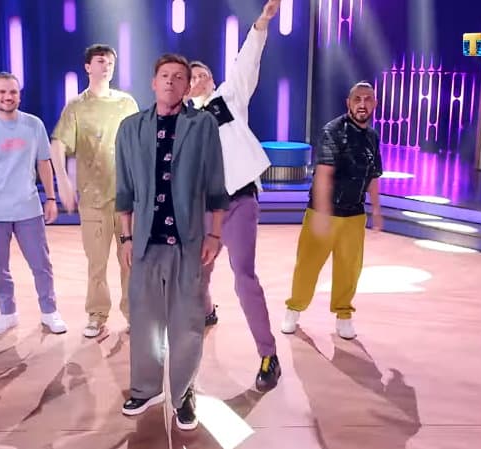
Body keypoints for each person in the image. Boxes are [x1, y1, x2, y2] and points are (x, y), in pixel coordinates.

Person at [115, 54, 229, 431]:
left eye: (179, 77)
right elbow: (124, 189)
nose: (170, 82)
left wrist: (215, 233)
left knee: (187, 322)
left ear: (187, 86)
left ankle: (183, 393)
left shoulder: (203, 125)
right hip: (145, 241)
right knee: (145, 320)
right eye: (164, 75)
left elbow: (216, 183)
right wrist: (126, 237)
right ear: (153, 83)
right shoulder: (131, 128)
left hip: (188, 240)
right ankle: (146, 388)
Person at [185, 0, 282, 392]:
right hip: (203, 209)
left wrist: (262, 22)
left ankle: (268, 355)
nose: (198, 79)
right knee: (197, 275)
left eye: (203, 74)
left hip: (239, 201)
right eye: (191, 76)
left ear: (212, 80)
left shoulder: (229, 97)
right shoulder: (180, 119)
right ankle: (207, 312)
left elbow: (246, 61)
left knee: (244, 278)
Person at [0, 72, 67, 336]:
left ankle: (49, 312)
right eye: (2, 92)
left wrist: (51, 198)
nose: (7, 97)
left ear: (19, 95)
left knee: (41, 265)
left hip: (28, 208)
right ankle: (7, 313)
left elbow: (44, 163)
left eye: (12, 92)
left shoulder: (34, 125)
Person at [281, 81, 384, 340]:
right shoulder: (333, 131)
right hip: (323, 213)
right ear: (348, 103)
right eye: (357, 99)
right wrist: (323, 214)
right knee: (307, 266)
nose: (362, 104)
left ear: (375, 104)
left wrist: (376, 210)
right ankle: (294, 309)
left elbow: (373, 175)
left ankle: (343, 315)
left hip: (354, 214)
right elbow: (324, 174)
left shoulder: (373, 137)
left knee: (349, 270)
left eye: (368, 99)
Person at [51, 44, 140, 338]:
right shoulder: (76, 106)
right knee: (97, 263)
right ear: (88, 67)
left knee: (131, 260)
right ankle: (97, 314)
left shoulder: (126, 103)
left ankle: (135, 313)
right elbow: (58, 144)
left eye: (111, 62)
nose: (107, 66)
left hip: (127, 198)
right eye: (101, 61)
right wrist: (63, 180)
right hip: (93, 198)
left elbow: (141, 144)